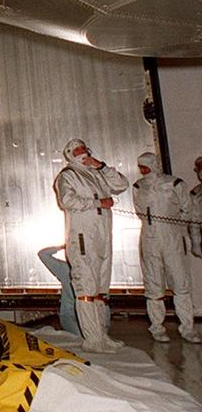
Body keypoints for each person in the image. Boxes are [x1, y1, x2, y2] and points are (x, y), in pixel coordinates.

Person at [53, 138, 128, 352]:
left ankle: (101, 335)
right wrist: (97, 203)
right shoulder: (68, 175)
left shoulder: (96, 173)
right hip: (83, 237)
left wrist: (101, 166)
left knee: (100, 287)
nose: (82, 152)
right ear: (70, 154)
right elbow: (67, 201)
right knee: (86, 286)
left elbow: (121, 185)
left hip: (102, 236)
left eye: (84, 148)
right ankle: (92, 339)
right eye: (77, 149)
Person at [132, 151, 201, 344]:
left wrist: (179, 226)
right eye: (141, 167)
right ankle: (157, 327)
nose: (143, 170)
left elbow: (188, 208)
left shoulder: (174, 183)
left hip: (173, 239)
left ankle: (187, 328)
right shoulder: (138, 186)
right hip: (149, 239)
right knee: (154, 286)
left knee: (180, 283)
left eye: (146, 166)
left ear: (154, 164)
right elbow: (139, 210)